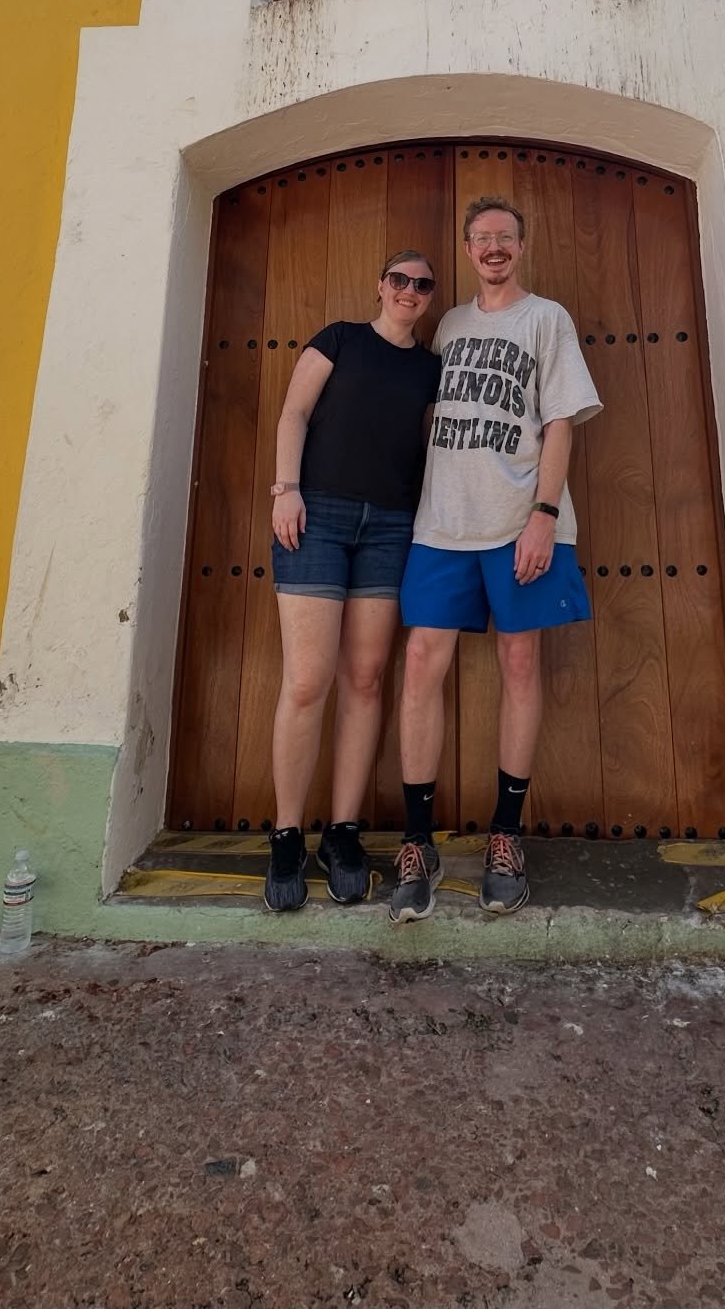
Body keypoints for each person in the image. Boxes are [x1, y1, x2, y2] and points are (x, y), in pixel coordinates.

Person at [390, 196, 601, 922]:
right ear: (467, 249)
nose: (493, 248)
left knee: (519, 663)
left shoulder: (546, 318)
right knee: (422, 661)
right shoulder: (448, 324)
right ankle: (418, 841)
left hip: (519, 522)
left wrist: (545, 514)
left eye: (505, 237)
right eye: (481, 238)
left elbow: (561, 422)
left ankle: (505, 838)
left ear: (521, 245)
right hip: (442, 522)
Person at [264, 251, 442, 912]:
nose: (409, 290)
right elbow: (294, 413)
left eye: (422, 284)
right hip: (317, 516)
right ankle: (287, 835)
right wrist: (285, 488)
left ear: (429, 297)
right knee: (307, 681)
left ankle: (342, 833)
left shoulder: (430, 369)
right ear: (380, 286)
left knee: (365, 680)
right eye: (399, 279)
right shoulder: (339, 338)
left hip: (391, 527)